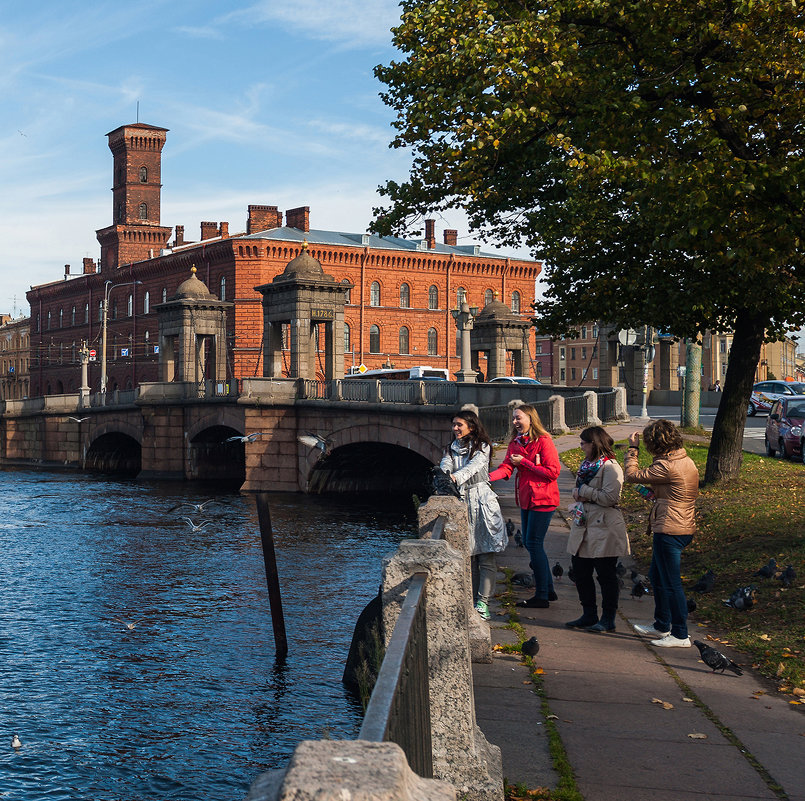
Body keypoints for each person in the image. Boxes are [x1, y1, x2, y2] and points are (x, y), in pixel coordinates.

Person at [624, 419, 699, 647]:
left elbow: (632, 475)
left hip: (670, 528)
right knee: (658, 577)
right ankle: (661, 624)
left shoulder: (666, 467)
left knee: (670, 582)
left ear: (655, 444)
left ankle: (680, 634)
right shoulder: (682, 460)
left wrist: (632, 450)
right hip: (679, 525)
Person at [489, 404, 561, 608]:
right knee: (532, 544)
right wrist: (487, 478)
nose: (514, 422)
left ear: (530, 419)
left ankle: (542, 596)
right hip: (526, 498)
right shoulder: (516, 443)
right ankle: (549, 590)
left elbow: (553, 472)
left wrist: (526, 463)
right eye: (513, 418)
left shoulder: (544, 441)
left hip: (543, 499)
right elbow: (506, 468)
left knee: (534, 543)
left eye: (518, 418)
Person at [440, 409, 507, 620]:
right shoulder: (451, 448)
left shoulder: (482, 447)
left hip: (481, 501)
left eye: (459, 424)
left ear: (471, 426)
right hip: (462, 502)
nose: (455, 428)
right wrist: (441, 475)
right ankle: (468, 599)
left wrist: (453, 479)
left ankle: (483, 602)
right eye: (454, 425)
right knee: (467, 554)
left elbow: (472, 468)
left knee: (485, 554)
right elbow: (446, 464)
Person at [565, 427, 629, 633]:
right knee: (580, 571)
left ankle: (608, 617)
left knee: (606, 575)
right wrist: (580, 494)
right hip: (584, 524)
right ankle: (589, 613)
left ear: (594, 443)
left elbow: (611, 498)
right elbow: (580, 492)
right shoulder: (586, 465)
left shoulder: (611, 467)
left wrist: (583, 492)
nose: (581, 446)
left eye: (584, 443)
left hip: (604, 527)